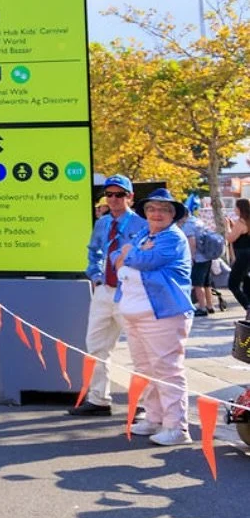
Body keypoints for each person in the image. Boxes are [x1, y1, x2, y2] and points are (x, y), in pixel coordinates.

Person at [111, 189, 195, 446]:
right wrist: (129, 253)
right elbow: (115, 257)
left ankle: (177, 427)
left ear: (173, 215)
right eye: (152, 209)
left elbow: (146, 260)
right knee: (145, 368)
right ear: (145, 212)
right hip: (137, 314)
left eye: (164, 210)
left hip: (163, 313)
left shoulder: (172, 238)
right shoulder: (144, 235)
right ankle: (155, 418)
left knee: (167, 370)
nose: (157, 214)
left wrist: (130, 253)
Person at [69, 175, 148, 417]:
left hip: (130, 293)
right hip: (104, 292)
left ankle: (145, 405)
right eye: (110, 195)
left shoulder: (142, 225)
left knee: (140, 350)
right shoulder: (102, 223)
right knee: (95, 345)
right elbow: (93, 251)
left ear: (130, 197)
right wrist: (95, 276)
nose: (114, 199)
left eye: (120, 194)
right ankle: (98, 399)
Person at [181, 213, 223, 317]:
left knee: (197, 284)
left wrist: (191, 257)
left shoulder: (188, 225)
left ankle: (202, 307)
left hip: (198, 259)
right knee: (207, 283)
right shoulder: (198, 221)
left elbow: (192, 242)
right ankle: (210, 306)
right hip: (207, 256)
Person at [228, 198, 250, 317]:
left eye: (235, 207)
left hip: (242, 256)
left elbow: (230, 238)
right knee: (246, 282)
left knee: (233, 284)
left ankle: (247, 306)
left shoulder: (241, 222)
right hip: (247, 255)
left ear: (240, 208)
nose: (234, 209)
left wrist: (227, 227)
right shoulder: (247, 222)